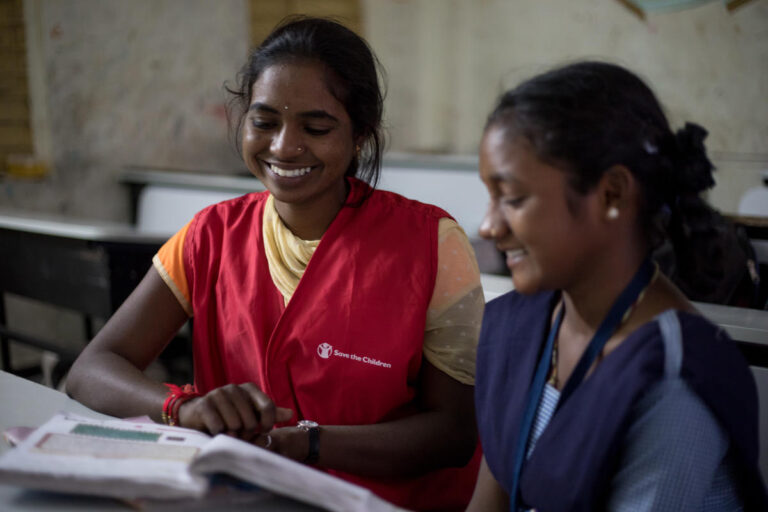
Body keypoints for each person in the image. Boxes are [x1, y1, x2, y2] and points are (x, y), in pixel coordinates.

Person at [66, 16, 482, 511]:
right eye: (264, 122)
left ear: (360, 135)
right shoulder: (210, 234)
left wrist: (308, 442)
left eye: (317, 126)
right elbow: (91, 369)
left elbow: (454, 431)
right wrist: (183, 407)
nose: (284, 147)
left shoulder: (431, 244)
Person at [467, 61, 768, 511]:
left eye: (512, 198)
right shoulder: (516, 325)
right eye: (489, 197)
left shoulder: (672, 377)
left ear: (612, 194)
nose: (488, 226)